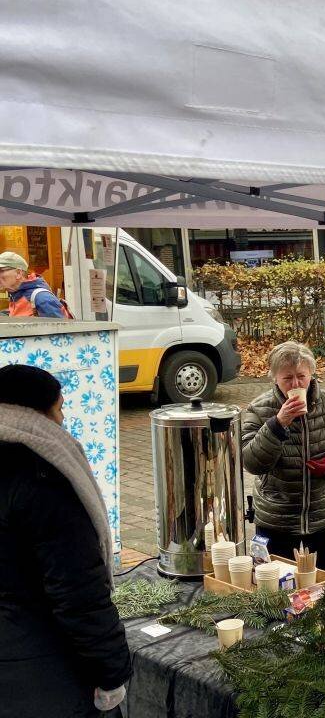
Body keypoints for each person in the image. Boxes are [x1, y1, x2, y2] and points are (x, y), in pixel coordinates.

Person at [0, 364, 131, 716]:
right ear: (37, 411)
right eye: (59, 409)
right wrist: (112, 671)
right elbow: (78, 591)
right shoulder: (42, 477)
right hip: (41, 672)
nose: (61, 420)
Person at [242, 341, 325, 573]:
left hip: (324, 513)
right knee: (276, 586)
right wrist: (278, 424)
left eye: (301, 376)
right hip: (276, 515)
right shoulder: (259, 409)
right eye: (288, 378)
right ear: (274, 377)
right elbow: (251, 462)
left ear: (312, 374)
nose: (296, 384)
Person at [0, 251, 69, 318]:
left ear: (18, 273)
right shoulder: (15, 295)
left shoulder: (42, 299)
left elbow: (61, 328)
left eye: (1, 271)